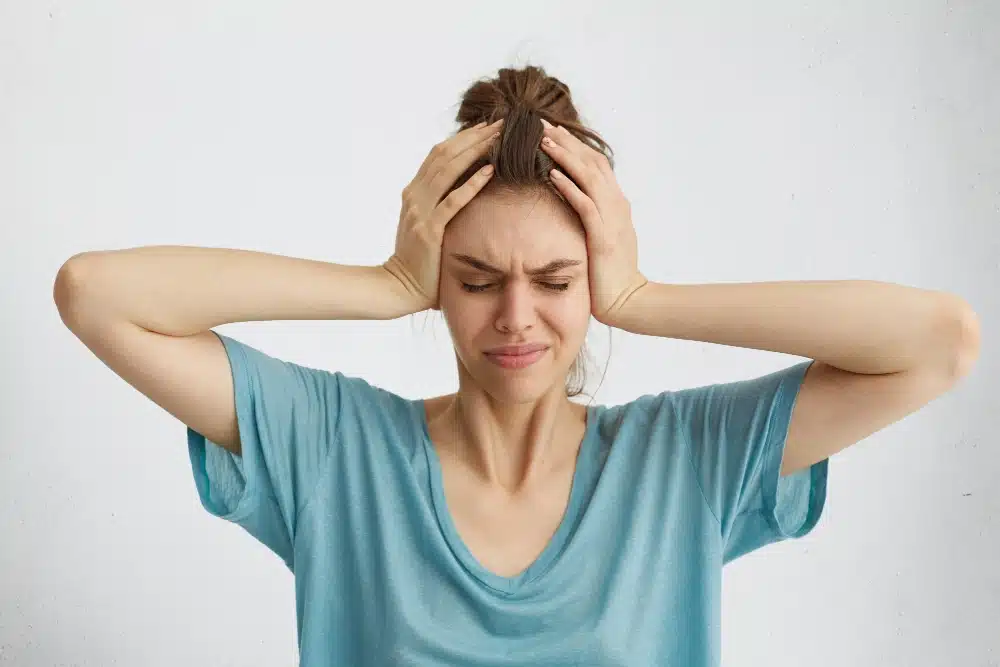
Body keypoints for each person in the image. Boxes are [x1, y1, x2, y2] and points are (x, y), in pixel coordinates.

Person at [53, 65, 979, 665]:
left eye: (556, 279)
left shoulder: (683, 461)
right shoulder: (338, 450)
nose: (516, 316)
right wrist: (381, 283)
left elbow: (940, 343)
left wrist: (644, 300)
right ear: (437, 282)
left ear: (592, 281)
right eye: (476, 277)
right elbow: (97, 294)